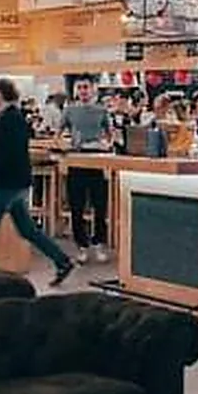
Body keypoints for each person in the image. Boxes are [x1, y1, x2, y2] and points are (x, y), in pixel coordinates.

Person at [0, 78, 73, 284]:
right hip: (16, 182)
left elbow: (3, 153)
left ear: (1, 94)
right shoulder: (14, 118)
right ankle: (62, 261)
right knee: (26, 229)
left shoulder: (9, 119)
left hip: (7, 184)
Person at [61, 78, 113, 265]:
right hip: (76, 160)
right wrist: (67, 143)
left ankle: (99, 243)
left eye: (86, 87)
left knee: (100, 205)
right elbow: (59, 134)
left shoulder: (101, 111)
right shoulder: (69, 110)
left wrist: (106, 143)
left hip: (97, 160)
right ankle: (81, 246)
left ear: (93, 90)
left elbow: (110, 134)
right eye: (80, 88)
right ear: (75, 91)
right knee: (77, 206)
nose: (83, 91)